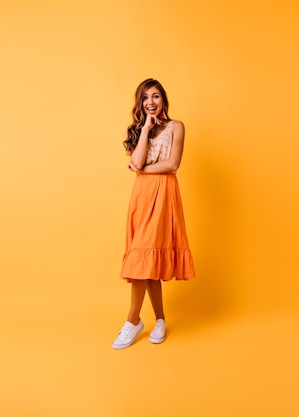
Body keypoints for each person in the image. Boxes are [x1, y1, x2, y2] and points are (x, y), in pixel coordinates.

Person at [112, 78, 196, 349]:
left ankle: (132, 321)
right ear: (140, 103)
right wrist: (146, 129)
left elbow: (172, 164)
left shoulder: (176, 127)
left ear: (164, 100)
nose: (151, 101)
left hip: (164, 194)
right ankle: (159, 319)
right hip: (141, 197)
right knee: (146, 262)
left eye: (156, 96)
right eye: (146, 97)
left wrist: (140, 170)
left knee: (144, 258)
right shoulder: (140, 130)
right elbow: (136, 160)